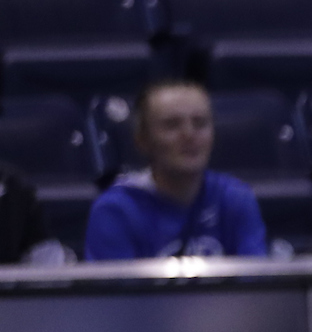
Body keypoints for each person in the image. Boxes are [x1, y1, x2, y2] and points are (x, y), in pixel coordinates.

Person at [82, 81, 267, 261]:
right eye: (172, 125)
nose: (189, 135)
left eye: (200, 123)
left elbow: (257, 285)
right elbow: (115, 291)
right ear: (142, 140)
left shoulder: (235, 198)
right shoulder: (116, 211)